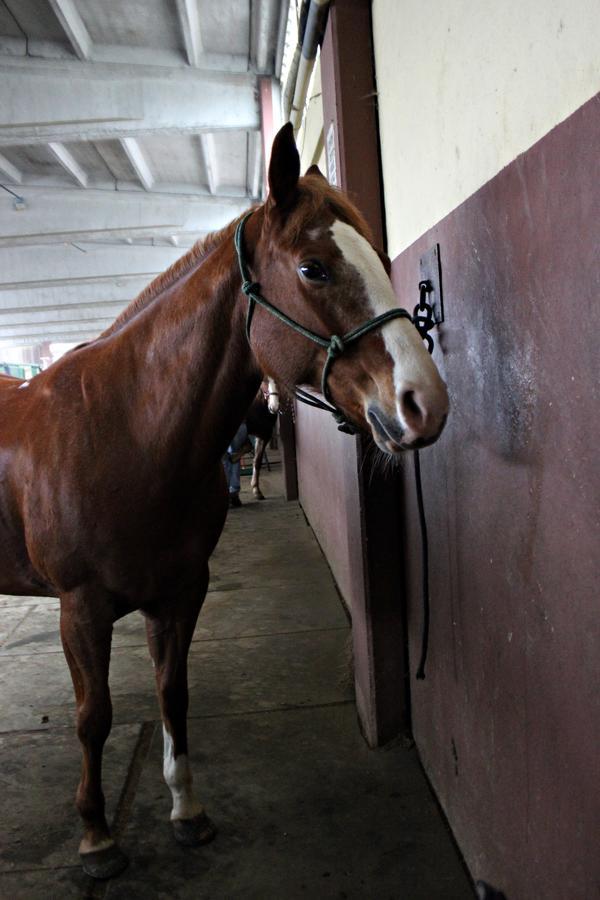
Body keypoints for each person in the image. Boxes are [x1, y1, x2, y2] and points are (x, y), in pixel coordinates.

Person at [222, 423, 253, 507]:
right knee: (234, 454)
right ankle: (233, 494)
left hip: (224, 423)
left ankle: (227, 493)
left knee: (225, 458)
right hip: (239, 423)